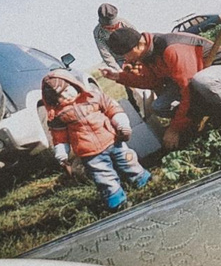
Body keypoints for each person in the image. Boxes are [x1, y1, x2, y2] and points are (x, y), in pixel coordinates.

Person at [97, 22, 221, 153]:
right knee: (160, 106)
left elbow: (188, 89)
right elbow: (152, 82)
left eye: (126, 55)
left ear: (138, 45)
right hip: (196, 82)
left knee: (202, 81)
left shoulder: (171, 49)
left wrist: (174, 128)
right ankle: (201, 118)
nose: (127, 60)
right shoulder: (146, 53)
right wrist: (119, 77)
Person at [40, 70, 149, 211]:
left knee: (128, 161)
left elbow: (112, 108)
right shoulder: (59, 115)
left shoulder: (93, 96)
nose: (65, 96)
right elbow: (59, 136)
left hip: (113, 140)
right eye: (60, 96)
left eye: (67, 90)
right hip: (89, 152)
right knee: (103, 175)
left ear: (74, 84)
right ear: (53, 100)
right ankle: (116, 199)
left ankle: (142, 179)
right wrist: (61, 151)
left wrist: (121, 123)